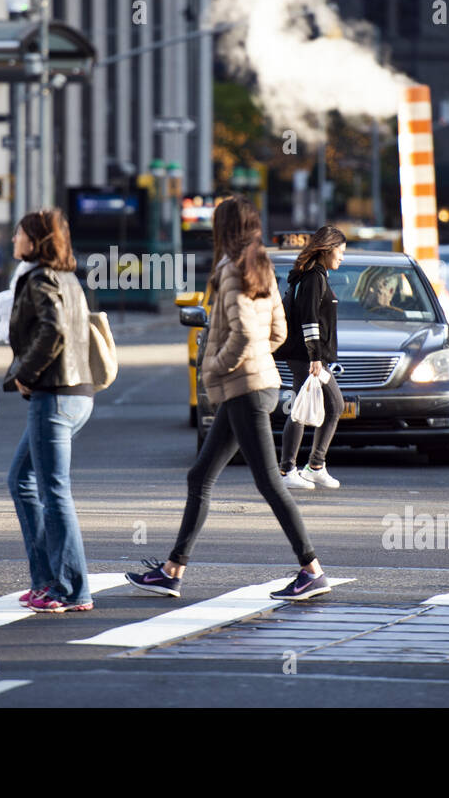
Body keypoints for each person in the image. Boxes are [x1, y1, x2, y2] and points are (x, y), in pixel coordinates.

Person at [125, 196, 333, 602]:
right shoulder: (262, 267)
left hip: (244, 388)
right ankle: (172, 570)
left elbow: (242, 334)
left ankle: (312, 569)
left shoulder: (230, 270)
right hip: (258, 384)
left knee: (269, 482)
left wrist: (216, 366)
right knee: (199, 476)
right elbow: (277, 331)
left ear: (225, 230)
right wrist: (250, 359)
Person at [3, 210, 97, 613]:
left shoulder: (40, 277)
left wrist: (25, 373)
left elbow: (53, 330)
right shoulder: (68, 277)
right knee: (21, 480)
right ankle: (46, 580)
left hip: (55, 394)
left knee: (53, 491)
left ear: (36, 241)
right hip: (77, 393)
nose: (13, 239)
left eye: (19, 233)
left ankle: (71, 588)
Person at [275, 225, 345, 492]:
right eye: (340, 251)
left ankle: (310, 467)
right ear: (327, 249)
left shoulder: (312, 275)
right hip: (308, 358)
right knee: (328, 406)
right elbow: (309, 319)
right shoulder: (314, 277)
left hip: (308, 357)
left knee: (312, 407)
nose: (342, 257)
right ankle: (293, 468)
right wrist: (316, 356)